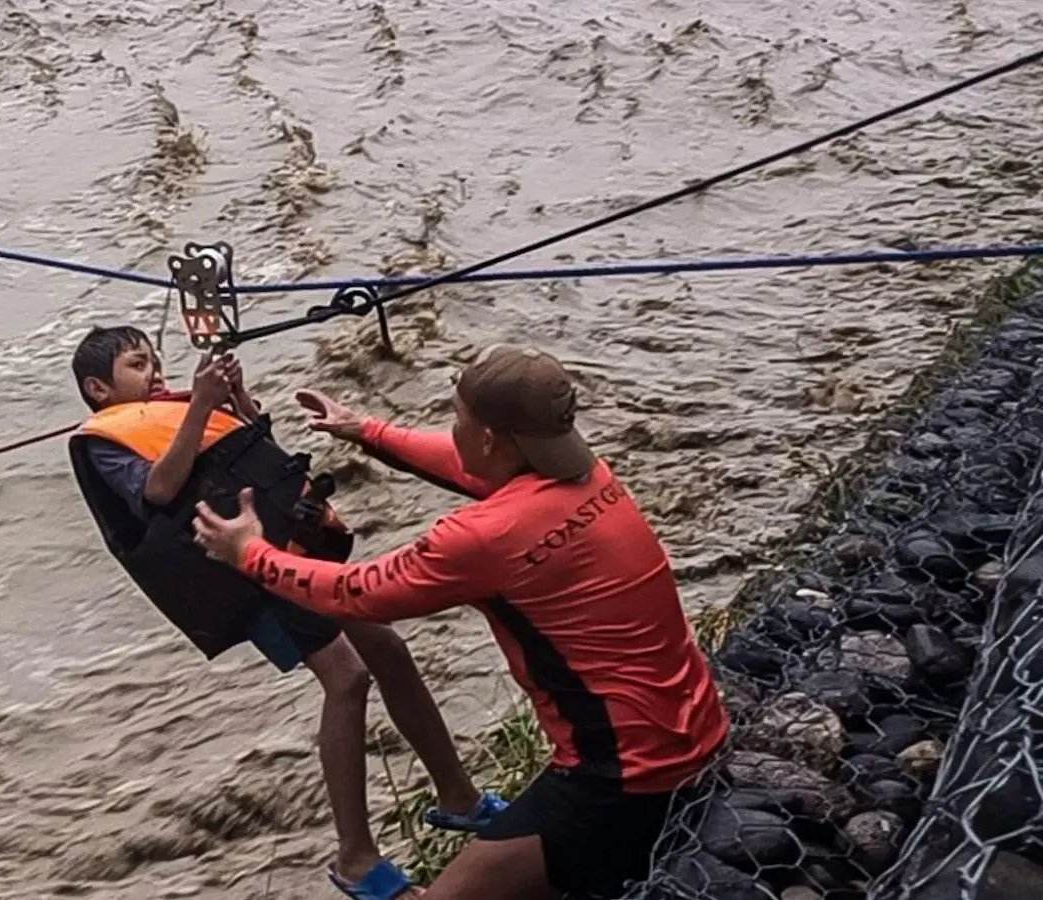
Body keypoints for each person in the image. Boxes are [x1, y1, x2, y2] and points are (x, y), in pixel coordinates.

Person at [191, 344, 730, 900]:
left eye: (457, 418)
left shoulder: (486, 538)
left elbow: (357, 593)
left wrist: (250, 554)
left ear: (491, 440)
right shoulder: (590, 476)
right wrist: (366, 430)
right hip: (702, 736)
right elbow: (461, 462)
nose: (452, 430)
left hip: (621, 781)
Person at [66, 325, 506, 900]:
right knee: (346, 678)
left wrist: (235, 400)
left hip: (289, 546)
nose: (154, 373)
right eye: (136, 364)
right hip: (243, 572)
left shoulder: (174, 410)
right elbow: (158, 490)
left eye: (155, 360)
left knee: (387, 648)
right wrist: (200, 406)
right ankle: (356, 858)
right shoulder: (105, 440)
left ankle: (458, 797)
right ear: (99, 389)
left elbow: (253, 447)